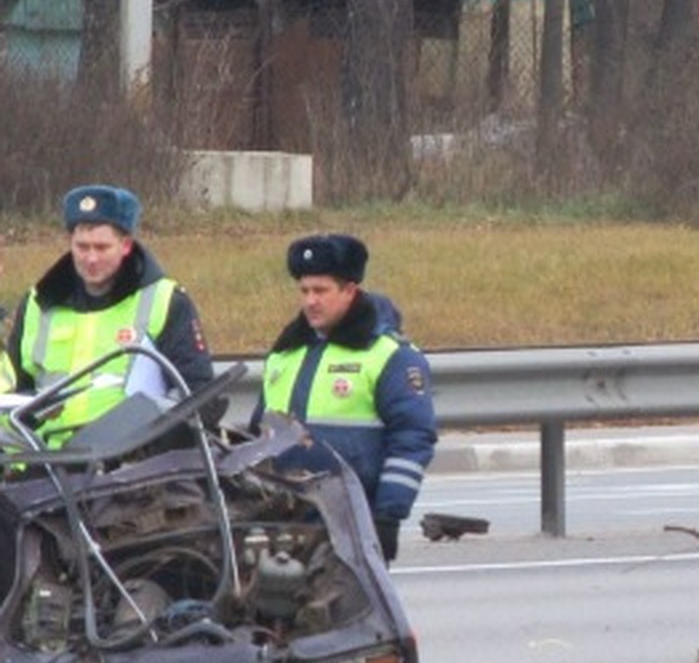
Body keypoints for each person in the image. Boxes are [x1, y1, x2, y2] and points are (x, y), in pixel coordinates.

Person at [255, 233, 436, 561]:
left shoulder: (389, 356)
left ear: (350, 291)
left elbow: (412, 439)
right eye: (304, 291)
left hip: (353, 522)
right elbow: (259, 434)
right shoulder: (283, 355)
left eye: (321, 290)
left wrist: (388, 517)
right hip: (279, 522)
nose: (310, 301)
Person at [6, 184, 214, 443]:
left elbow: (197, 393)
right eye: (82, 247)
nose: (91, 258)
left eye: (102, 247)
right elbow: (14, 389)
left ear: (126, 245)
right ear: (69, 243)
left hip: (127, 471)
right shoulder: (37, 304)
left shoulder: (165, 301)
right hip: (45, 466)